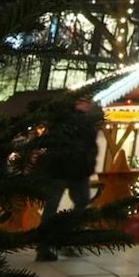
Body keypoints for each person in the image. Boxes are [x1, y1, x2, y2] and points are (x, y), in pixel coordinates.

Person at [34, 96, 101, 262]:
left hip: (62, 169)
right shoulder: (81, 123)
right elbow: (87, 146)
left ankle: (46, 244)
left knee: (54, 206)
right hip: (73, 169)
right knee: (78, 201)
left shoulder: (62, 121)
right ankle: (62, 239)